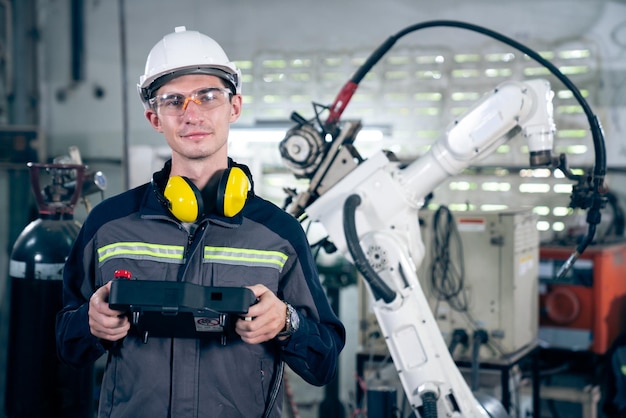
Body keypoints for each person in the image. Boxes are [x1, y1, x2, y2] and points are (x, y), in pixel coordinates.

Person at [55, 26, 346, 418]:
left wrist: (287, 322)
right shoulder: (108, 225)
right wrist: (90, 323)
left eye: (208, 96)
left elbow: (323, 363)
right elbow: (67, 345)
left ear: (235, 107)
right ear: (155, 118)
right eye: (173, 100)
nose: (192, 114)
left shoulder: (279, 234)